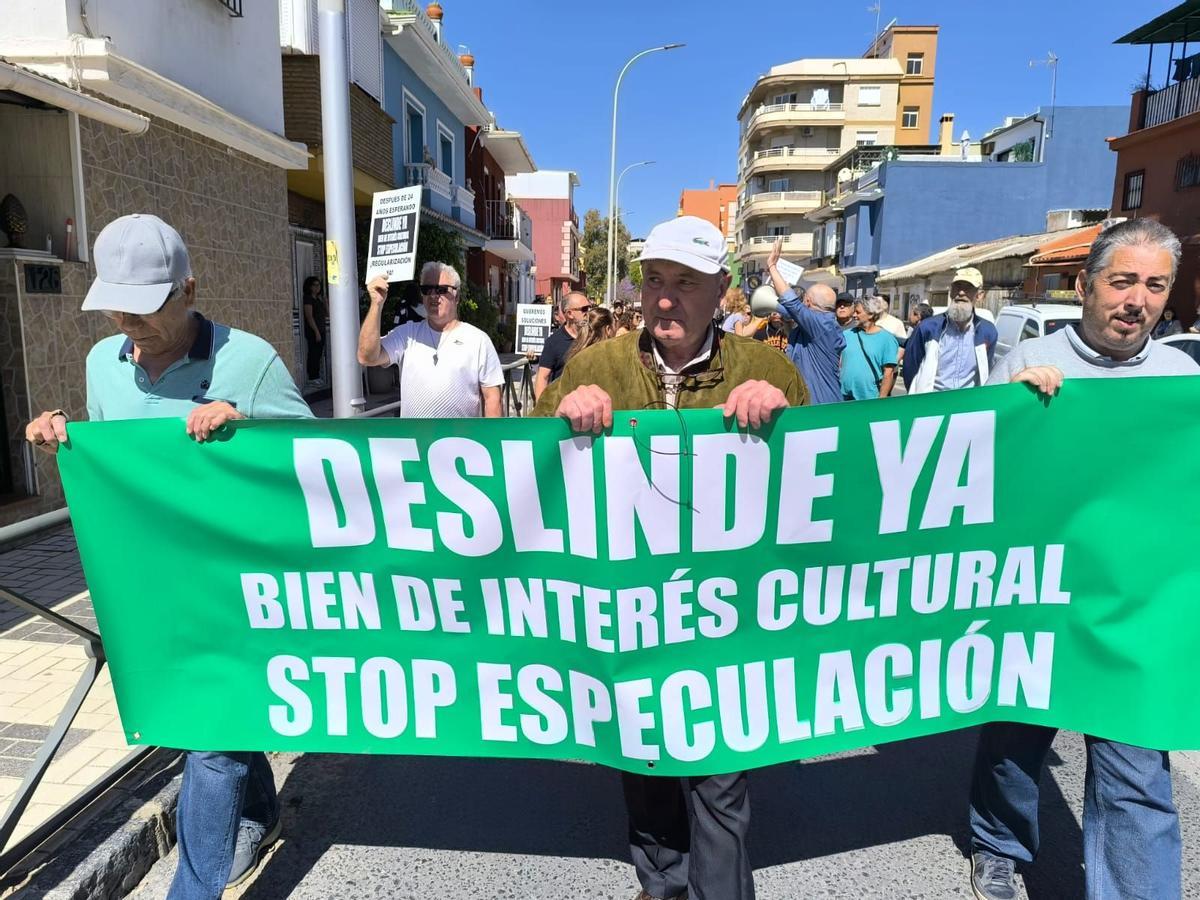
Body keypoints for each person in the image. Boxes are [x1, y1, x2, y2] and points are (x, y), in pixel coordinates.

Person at [26, 213, 312, 899]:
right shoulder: (102, 363)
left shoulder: (251, 360)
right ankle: (262, 814)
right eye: (117, 304)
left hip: (236, 584)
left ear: (189, 288)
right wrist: (64, 437)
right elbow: (121, 465)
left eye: (146, 306)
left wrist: (247, 428)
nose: (128, 320)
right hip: (156, 586)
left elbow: (315, 459)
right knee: (220, 721)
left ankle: (192, 889)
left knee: (206, 736)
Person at [534, 215, 807, 900]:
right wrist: (562, 415)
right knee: (649, 786)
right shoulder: (594, 365)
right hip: (631, 628)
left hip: (727, 628)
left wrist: (785, 418)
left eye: (684, 283)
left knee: (722, 790)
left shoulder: (767, 367)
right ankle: (662, 888)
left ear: (720, 290)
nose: (663, 298)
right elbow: (523, 477)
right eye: (654, 280)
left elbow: (821, 486)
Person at [968, 218, 1195, 900]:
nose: (1138, 300)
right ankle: (998, 845)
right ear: (1086, 285)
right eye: (1122, 281)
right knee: (1015, 741)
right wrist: (1014, 407)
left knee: (1138, 771)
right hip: (1036, 598)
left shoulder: (1181, 378)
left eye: (1155, 286)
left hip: (1133, 613)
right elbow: (973, 475)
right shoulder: (1031, 360)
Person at [358, 262, 503, 417]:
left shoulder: (478, 340)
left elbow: (493, 398)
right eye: (427, 290)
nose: (434, 296)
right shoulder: (407, 334)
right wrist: (376, 304)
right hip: (414, 440)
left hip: (460, 440)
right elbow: (366, 357)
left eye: (441, 290)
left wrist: (489, 439)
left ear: (457, 296)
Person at [764, 238, 847, 404]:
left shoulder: (822, 325)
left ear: (808, 301)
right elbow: (790, 314)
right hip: (816, 403)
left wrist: (772, 266)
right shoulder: (822, 325)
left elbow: (792, 303)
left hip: (819, 406)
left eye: (804, 301)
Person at [902, 267, 998, 393]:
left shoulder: (988, 332)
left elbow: (987, 371)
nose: (961, 292)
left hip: (966, 407)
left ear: (980, 295)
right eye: (957, 287)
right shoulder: (927, 328)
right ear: (951, 292)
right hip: (932, 405)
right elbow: (910, 371)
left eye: (968, 288)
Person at [533, 291, 590, 399]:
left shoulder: (594, 336)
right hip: (563, 408)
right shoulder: (553, 342)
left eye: (589, 308)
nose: (588, 313)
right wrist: (541, 411)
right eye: (584, 309)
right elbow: (543, 377)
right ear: (569, 314)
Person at [841, 296, 898, 399]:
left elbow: (888, 373)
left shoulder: (886, 339)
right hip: (843, 397)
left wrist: (881, 400)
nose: (854, 315)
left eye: (858, 312)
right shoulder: (845, 335)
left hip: (869, 398)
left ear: (871, 314)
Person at [301, 276, 326, 382]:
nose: (317, 287)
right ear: (310, 287)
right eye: (314, 285)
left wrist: (325, 301)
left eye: (318, 285)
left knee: (319, 353)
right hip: (313, 330)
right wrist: (316, 332)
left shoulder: (318, 299)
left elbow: (328, 313)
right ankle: (312, 376)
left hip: (321, 329)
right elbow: (309, 317)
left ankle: (316, 375)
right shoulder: (308, 299)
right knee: (313, 353)